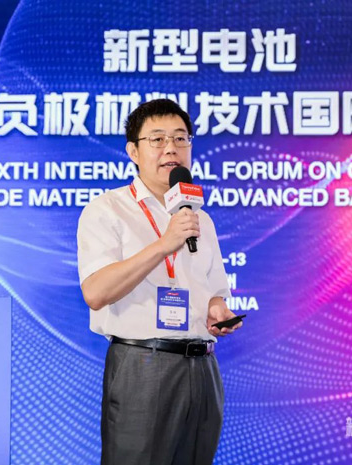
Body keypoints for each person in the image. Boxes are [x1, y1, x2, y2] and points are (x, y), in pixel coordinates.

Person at [77, 99, 242, 465]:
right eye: (158, 139)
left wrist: (217, 310)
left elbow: (214, 293)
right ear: (133, 151)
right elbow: (96, 292)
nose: (171, 148)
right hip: (143, 365)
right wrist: (164, 244)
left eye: (181, 139)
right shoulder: (107, 209)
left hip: (202, 368)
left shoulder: (199, 217)